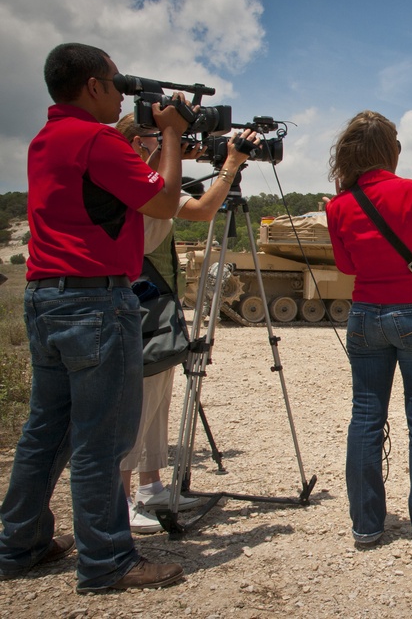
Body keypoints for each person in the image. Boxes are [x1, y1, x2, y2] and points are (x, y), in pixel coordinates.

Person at [0, 43, 187, 591]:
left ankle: (19, 543)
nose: (121, 91)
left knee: (45, 431)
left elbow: (105, 197)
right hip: (95, 302)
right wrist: (171, 135)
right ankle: (107, 561)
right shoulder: (95, 140)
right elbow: (164, 202)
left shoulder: (47, 138)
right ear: (94, 87)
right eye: (115, 81)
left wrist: (135, 144)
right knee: (101, 438)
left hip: (45, 297)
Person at [115, 113, 260, 533]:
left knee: (157, 397)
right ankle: (119, 499)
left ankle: (151, 487)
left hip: (156, 299)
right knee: (135, 402)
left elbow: (191, 200)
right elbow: (200, 210)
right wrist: (229, 165)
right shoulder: (130, 182)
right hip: (135, 297)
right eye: (158, 140)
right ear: (140, 142)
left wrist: (190, 156)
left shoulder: (153, 179)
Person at [325, 110, 412, 551]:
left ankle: (366, 525)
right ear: (389, 150)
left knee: (365, 417)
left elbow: (346, 266)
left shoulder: (339, 204)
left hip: (364, 314)